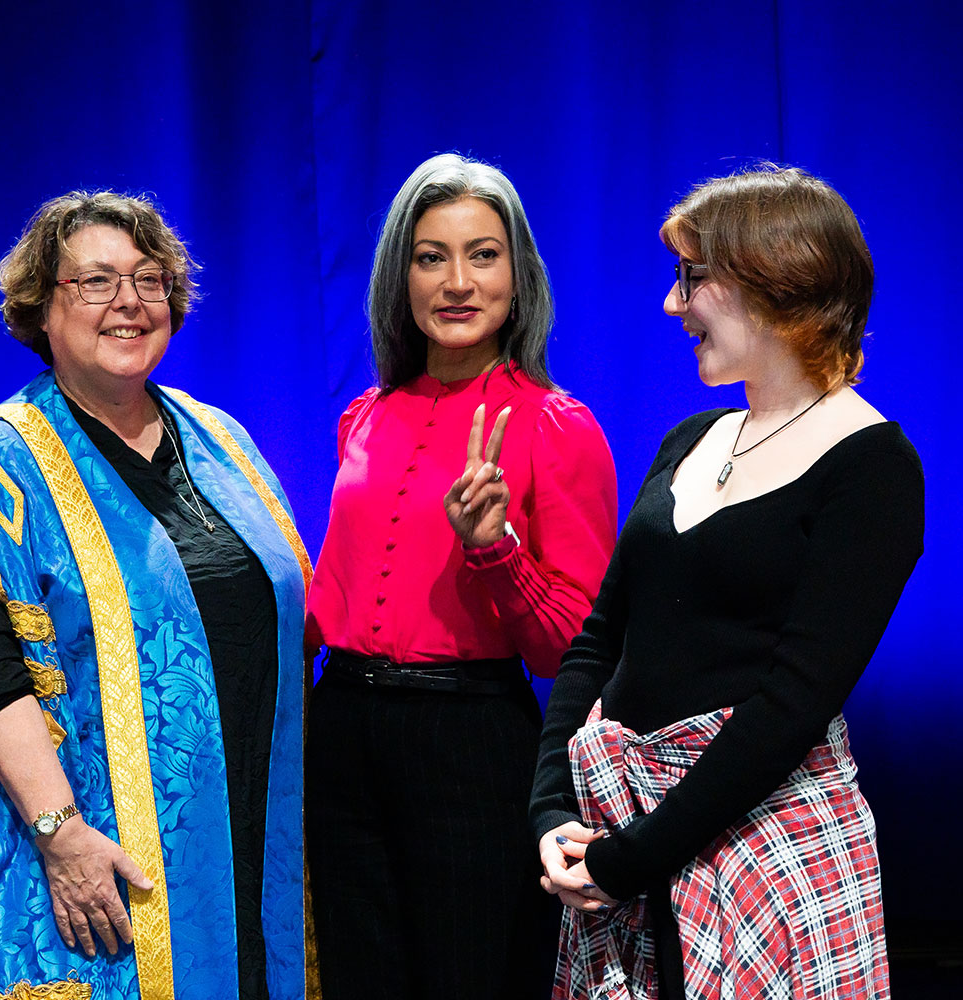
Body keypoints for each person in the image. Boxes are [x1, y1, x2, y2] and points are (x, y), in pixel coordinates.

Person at [531, 166, 922, 1000]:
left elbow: (793, 703)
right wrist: (554, 810)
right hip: (621, 837)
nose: (675, 306)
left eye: (694, 277)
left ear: (778, 279)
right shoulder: (693, 437)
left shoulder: (872, 467)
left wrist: (633, 856)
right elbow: (602, 638)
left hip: (761, 855)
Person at [0, 190, 311, 999]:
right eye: (95, 282)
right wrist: (62, 840)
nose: (129, 301)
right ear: (40, 308)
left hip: (246, 830)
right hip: (103, 862)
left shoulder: (221, 439)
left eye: (148, 278)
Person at [304, 153, 618, 997]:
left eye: (483, 254)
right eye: (430, 255)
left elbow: (569, 649)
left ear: (519, 276)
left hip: (471, 740)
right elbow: (324, 596)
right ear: (398, 274)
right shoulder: (363, 417)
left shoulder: (558, 426)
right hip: (342, 727)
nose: (457, 280)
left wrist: (495, 549)